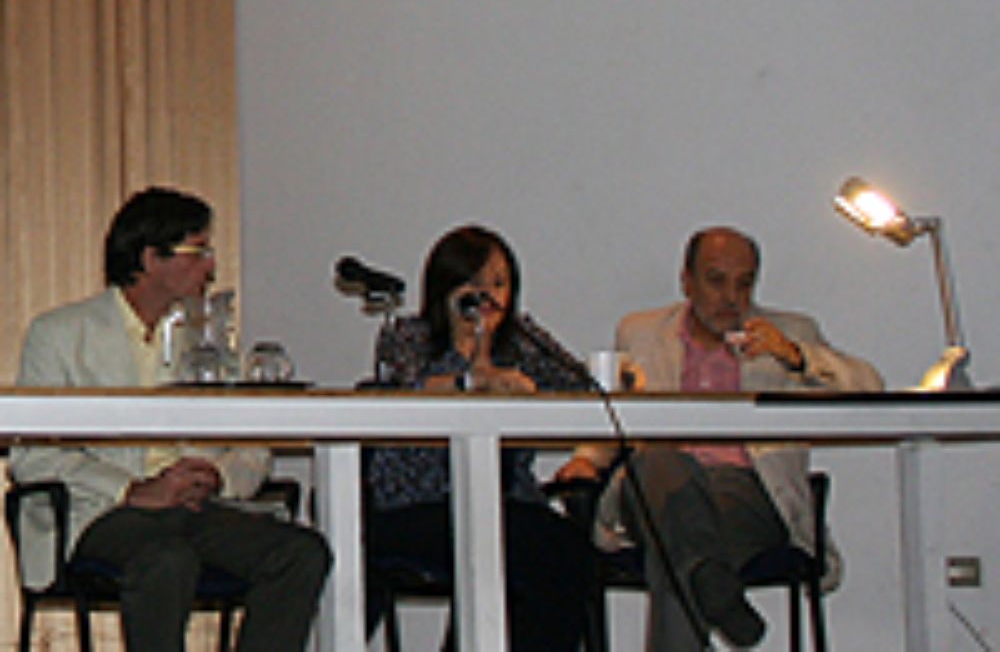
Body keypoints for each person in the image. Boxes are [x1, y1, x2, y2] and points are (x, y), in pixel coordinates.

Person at [9, 187, 331, 652]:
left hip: (194, 508)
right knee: (165, 558)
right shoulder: (60, 334)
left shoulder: (207, 341)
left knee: (300, 553)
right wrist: (135, 491)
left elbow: (254, 443)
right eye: (197, 251)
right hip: (102, 511)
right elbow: (32, 457)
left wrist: (215, 477)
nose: (211, 267)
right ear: (149, 258)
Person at [557, 226, 883, 651]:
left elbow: (872, 388)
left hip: (745, 493)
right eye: (716, 281)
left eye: (744, 283)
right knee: (659, 463)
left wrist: (795, 356)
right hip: (656, 485)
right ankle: (715, 589)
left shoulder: (788, 332)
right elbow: (614, 413)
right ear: (686, 281)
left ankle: (711, 581)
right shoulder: (641, 334)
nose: (731, 297)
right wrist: (588, 459)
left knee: (679, 556)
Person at [365, 224, 595, 651]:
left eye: (500, 284)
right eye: (475, 284)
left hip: (509, 503)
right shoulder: (408, 336)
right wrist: (473, 375)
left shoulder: (522, 341)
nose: (489, 297)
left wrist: (526, 385)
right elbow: (410, 391)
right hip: (420, 502)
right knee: (523, 548)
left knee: (563, 550)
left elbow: (580, 388)